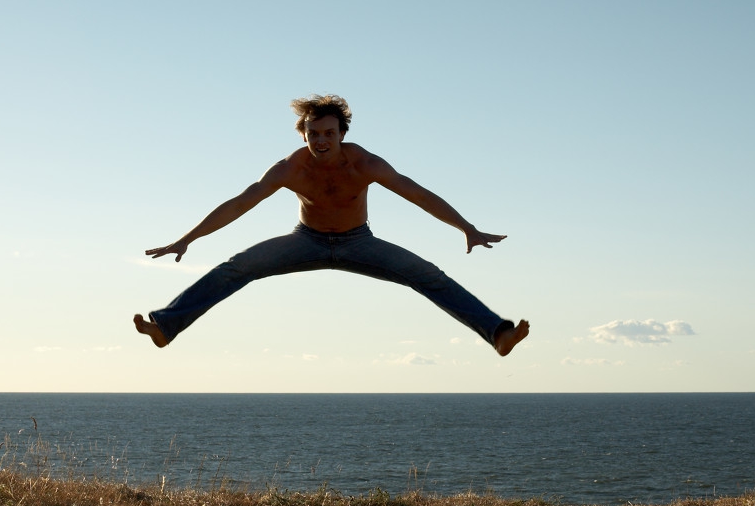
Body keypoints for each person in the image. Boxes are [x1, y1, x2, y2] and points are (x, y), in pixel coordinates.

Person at [134, 95, 530, 356]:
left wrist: (466, 227)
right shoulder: (290, 168)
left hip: (359, 243)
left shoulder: (365, 164)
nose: (321, 141)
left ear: (342, 134)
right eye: (313, 134)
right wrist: (187, 239)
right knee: (236, 268)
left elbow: (416, 192)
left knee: (428, 275)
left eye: (328, 133)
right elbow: (242, 202)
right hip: (305, 241)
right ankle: (166, 326)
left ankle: (498, 334)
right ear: (303, 135)